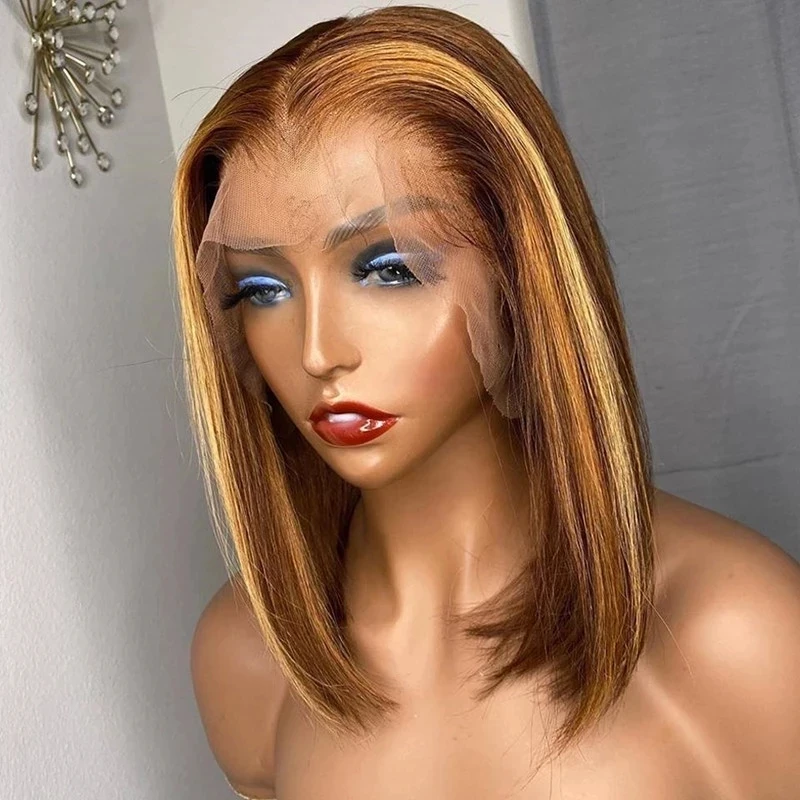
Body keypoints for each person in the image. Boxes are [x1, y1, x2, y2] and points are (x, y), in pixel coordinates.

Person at [172, 7, 800, 799]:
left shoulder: (736, 633)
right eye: (263, 288)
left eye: (388, 270)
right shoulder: (247, 660)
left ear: (518, 272)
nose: (318, 352)